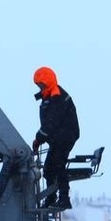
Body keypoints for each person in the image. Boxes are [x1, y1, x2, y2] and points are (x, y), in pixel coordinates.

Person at [31, 65, 80, 210]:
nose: (39, 87)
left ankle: (64, 198)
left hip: (65, 136)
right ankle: (52, 197)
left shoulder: (56, 97)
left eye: (41, 84)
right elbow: (50, 124)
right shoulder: (49, 96)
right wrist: (41, 138)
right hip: (59, 138)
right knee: (48, 169)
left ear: (47, 82)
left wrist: (39, 138)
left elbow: (51, 123)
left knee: (58, 165)